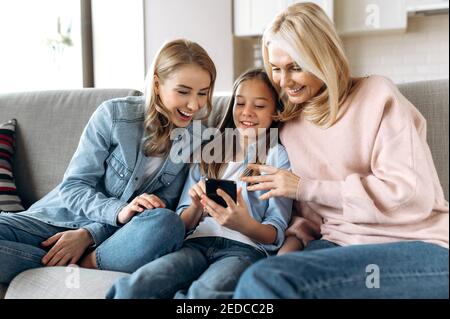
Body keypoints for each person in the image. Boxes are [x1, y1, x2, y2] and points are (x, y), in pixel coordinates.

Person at [234, 3, 449, 298]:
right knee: (262, 278)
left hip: (415, 244)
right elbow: (310, 218)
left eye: (295, 67)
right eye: (276, 69)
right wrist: (286, 255)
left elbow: (410, 194)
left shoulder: (376, 95)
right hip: (337, 246)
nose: (284, 82)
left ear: (323, 57)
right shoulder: (290, 127)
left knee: (266, 282)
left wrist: (307, 187)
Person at [0, 39, 217, 284]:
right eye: (183, 91)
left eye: (203, 93)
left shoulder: (196, 137)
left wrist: (89, 235)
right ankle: (63, 270)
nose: (194, 105)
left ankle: (82, 265)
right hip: (54, 221)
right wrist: (114, 212)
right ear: (157, 84)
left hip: (115, 240)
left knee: (167, 225)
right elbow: (74, 187)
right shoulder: (114, 115)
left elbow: (161, 210)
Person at [106, 68, 293, 299]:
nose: (247, 112)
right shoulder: (210, 151)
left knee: (204, 294)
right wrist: (195, 205)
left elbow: (276, 231)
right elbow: (183, 221)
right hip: (196, 243)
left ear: (275, 112)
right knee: (135, 287)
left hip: (242, 249)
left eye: (260, 106)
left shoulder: (277, 156)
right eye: (240, 103)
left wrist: (244, 224)